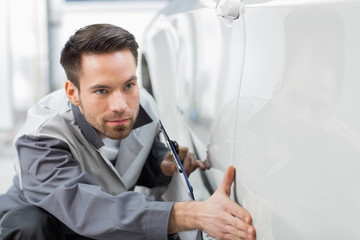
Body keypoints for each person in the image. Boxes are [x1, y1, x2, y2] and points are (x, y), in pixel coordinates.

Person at [0, 24, 255, 240]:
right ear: (72, 93)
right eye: (102, 91)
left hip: (109, 220)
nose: (120, 105)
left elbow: (135, 159)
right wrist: (193, 214)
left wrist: (161, 166)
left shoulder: (143, 104)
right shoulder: (41, 135)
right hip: (54, 226)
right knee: (29, 225)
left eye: (129, 85)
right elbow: (83, 208)